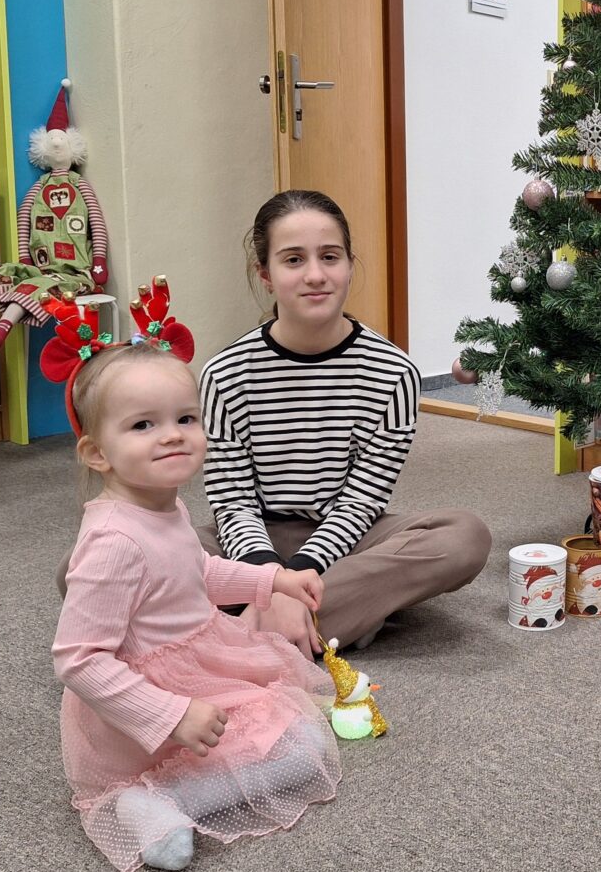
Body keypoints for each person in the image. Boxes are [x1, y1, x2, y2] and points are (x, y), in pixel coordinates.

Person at [50, 287, 340, 872]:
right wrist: (170, 714)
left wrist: (271, 581)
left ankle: (175, 799)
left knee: (304, 739)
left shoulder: (168, 505)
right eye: (143, 424)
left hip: (198, 664)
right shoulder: (113, 541)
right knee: (298, 745)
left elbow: (197, 571)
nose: (173, 434)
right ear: (97, 453)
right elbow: (77, 660)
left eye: (185, 418)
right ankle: (148, 800)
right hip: (144, 705)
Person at [198, 190, 491, 657]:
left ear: (350, 266)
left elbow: (361, 502)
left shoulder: (393, 374)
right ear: (266, 275)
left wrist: (299, 575)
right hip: (250, 541)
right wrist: (272, 578)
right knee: (125, 554)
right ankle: (339, 617)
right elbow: (232, 502)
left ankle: (246, 631)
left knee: (464, 537)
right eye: (293, 259)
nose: (315, 274)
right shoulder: (225, 374)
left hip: (345, 541)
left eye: (330, 257)